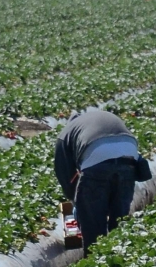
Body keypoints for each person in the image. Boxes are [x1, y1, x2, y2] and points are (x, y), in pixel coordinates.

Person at [54, 109, 150, 255]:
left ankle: (95, 260)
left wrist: (77, 202)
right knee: (119, 218)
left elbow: (64, 174)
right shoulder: (95, 119)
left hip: (97, 156)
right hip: (129, 153)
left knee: (93, 224)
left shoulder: (66, 133)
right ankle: (120, 258)